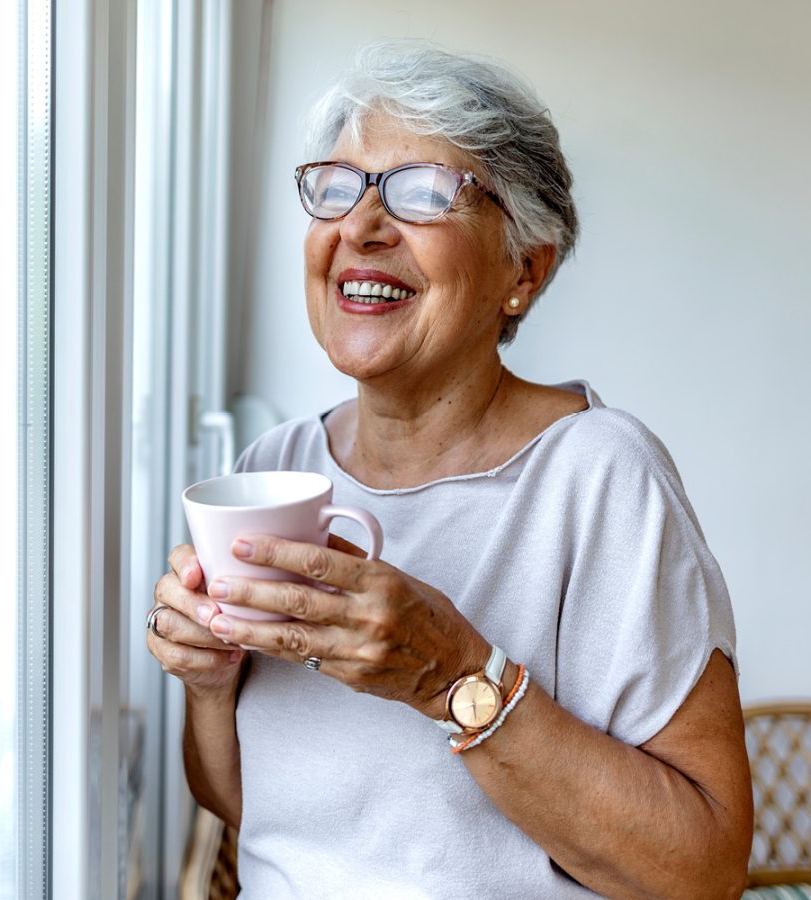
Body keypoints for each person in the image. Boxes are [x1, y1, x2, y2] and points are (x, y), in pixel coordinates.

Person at [147, 41, 753, 898]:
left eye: (423, 192)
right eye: (339, 187)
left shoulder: (601, 478)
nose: (361, 227)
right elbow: (246, 803)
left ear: (524, 269)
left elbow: (704, 869)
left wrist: (456, 675)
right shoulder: (273, 469)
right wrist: (209, 685)